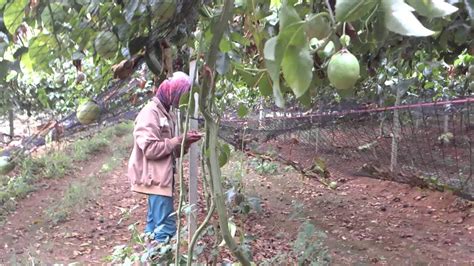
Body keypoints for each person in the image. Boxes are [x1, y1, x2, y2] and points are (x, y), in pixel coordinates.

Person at [128, 71, 202, 243]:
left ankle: (150, 258)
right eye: (181, 96)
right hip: (156, 178)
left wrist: (185, 143)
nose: (181, 102)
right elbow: (150, 149)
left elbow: (170, 149)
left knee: (154, 226)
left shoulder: (165, 113)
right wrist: (177, 140)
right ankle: (161, 259)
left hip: (162, 177)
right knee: (165, 229)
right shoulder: (150, 113)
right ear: (172, 92)